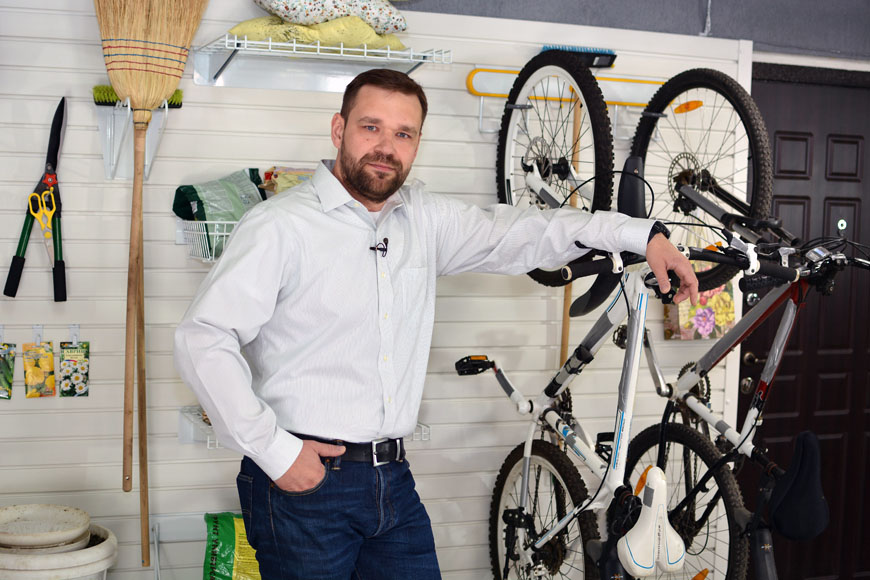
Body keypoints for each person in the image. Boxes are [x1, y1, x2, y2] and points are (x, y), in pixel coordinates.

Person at [174, 68, 698, 580]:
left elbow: (522, 232)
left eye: (403, 134)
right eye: (371, 127)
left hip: (392, 480)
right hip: (305, 485)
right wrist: (275, 452)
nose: (386, 147)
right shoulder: (280, 225)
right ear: (339, 129)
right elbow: (204, 338)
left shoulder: (422, 219)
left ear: (417, 143)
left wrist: (640, 235)